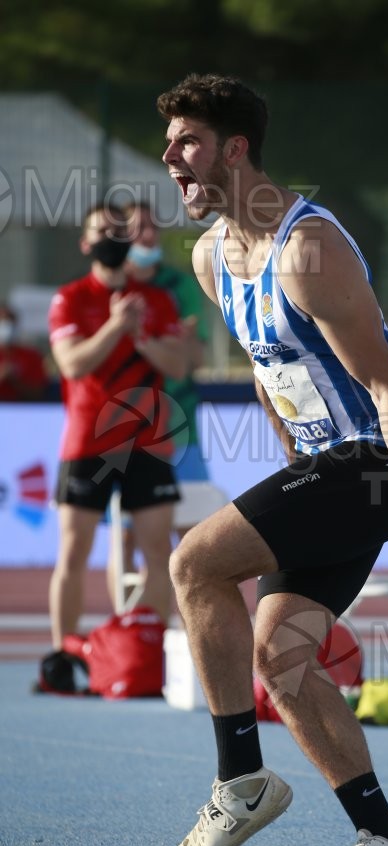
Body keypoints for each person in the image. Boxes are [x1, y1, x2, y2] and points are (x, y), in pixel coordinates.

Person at [159, 74, 388, 846]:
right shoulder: (212, 257)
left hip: (373, 466)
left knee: (193, 564)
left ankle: (239, 781)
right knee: (283, 662)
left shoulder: (309, 249)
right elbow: (266, 371)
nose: (170, 157)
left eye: (187, 142)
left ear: (235, 149)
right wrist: (290, 467)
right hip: (325, 471)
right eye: (169, 142)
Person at [40, 202, 185, 693]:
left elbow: (181, 364)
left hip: (148, 440)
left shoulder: (156, 300)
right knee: (74, 549)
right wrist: (116, 326)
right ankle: (64, 655)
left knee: (157, 552)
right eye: (101, 231)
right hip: (88, 441)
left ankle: (146, 650)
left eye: (118, 231)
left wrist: (141, 335)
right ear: (85, 243)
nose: (111, 238)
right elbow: (73, 364)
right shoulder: (70, 298)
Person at [105, 201, 227, 608]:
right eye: (138, 229)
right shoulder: (109, 287)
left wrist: (174, 342)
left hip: (180, 426)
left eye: (152, 227)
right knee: (124, 533)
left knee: (192, 533)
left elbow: (193, 358)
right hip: (124, 430)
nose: (149, 236)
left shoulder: (178, 285)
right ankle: (125, 625)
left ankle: (188, 622)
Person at [0, 302, 50, 401]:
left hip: (23, 411)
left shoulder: (32, 355)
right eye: (2, 322)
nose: (6, 326)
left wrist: (15, 381)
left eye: (10, 322)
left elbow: (38, 394)